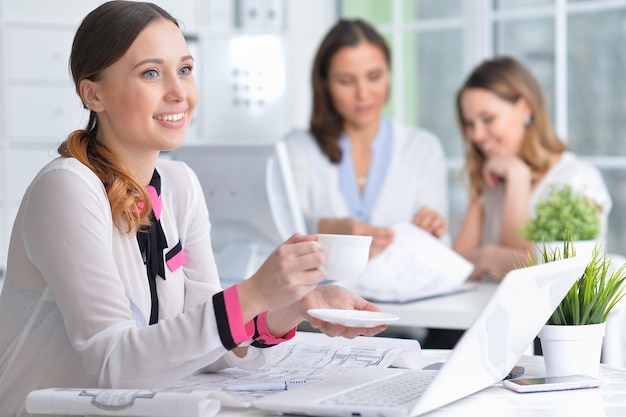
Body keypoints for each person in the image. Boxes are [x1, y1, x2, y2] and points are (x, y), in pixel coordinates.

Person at [0, 2, 387, 416]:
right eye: (151, 73)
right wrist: (252, 292)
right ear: (93, 94)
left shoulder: (180, 185)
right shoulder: (68, 187)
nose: (179, 92)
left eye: (184, 69)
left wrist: (291, 306)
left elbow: (206, 347)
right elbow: (114, 366)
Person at [285, 19, 450, 258]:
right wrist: (327, 228)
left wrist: (433, 226)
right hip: (321, 293)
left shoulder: (423, 148)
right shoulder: (298, 148)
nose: (363, 94)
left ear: (388, 75)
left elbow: (440, 245)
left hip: (398, 292)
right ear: (325, 85)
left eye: (374, 77)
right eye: (346, 81)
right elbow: (280, 230)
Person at [453, 55, 612, 281]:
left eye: (487, 119)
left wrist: (518, 176)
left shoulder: (577, 179)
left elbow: (524, 275)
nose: (476, 135)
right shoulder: (490, 181)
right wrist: (490, 256)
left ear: (526, 108)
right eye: (469, 124)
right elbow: (453, 267)